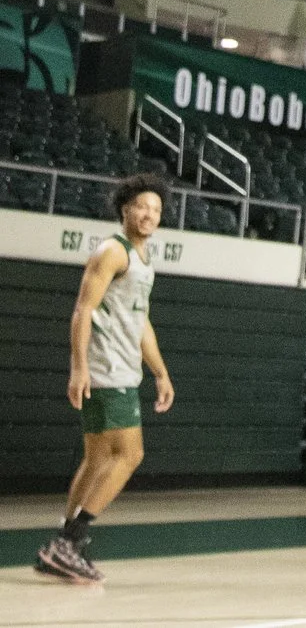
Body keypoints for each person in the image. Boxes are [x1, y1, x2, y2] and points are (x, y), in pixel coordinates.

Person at [36, 174, 174, 585]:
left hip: (122, 368)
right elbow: (82, 310)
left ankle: (61, 546)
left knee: (97, 460)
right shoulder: (112, 251)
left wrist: (161, 372)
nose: (149, 214)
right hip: (107, 369)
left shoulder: (142, 259)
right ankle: (70, 540)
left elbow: (140, 320)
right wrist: (79, 368)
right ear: (125, 209)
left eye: (156, 209)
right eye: (142, 206)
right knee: (130, 456)